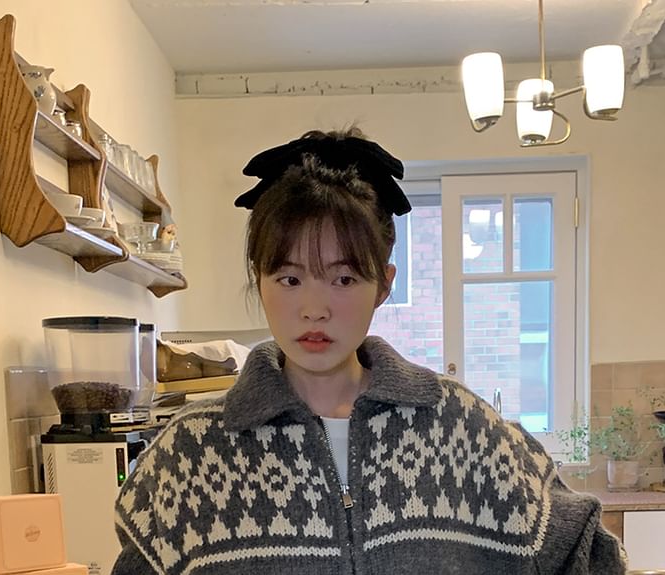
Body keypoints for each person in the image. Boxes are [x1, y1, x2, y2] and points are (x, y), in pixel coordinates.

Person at [111, 128, 627, 574]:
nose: (314, 309)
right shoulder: (191, 453)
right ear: (259, 279)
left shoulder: (466, 431)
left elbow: (584, 554)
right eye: (289, 278)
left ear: (383, 284)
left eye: (344, 279)